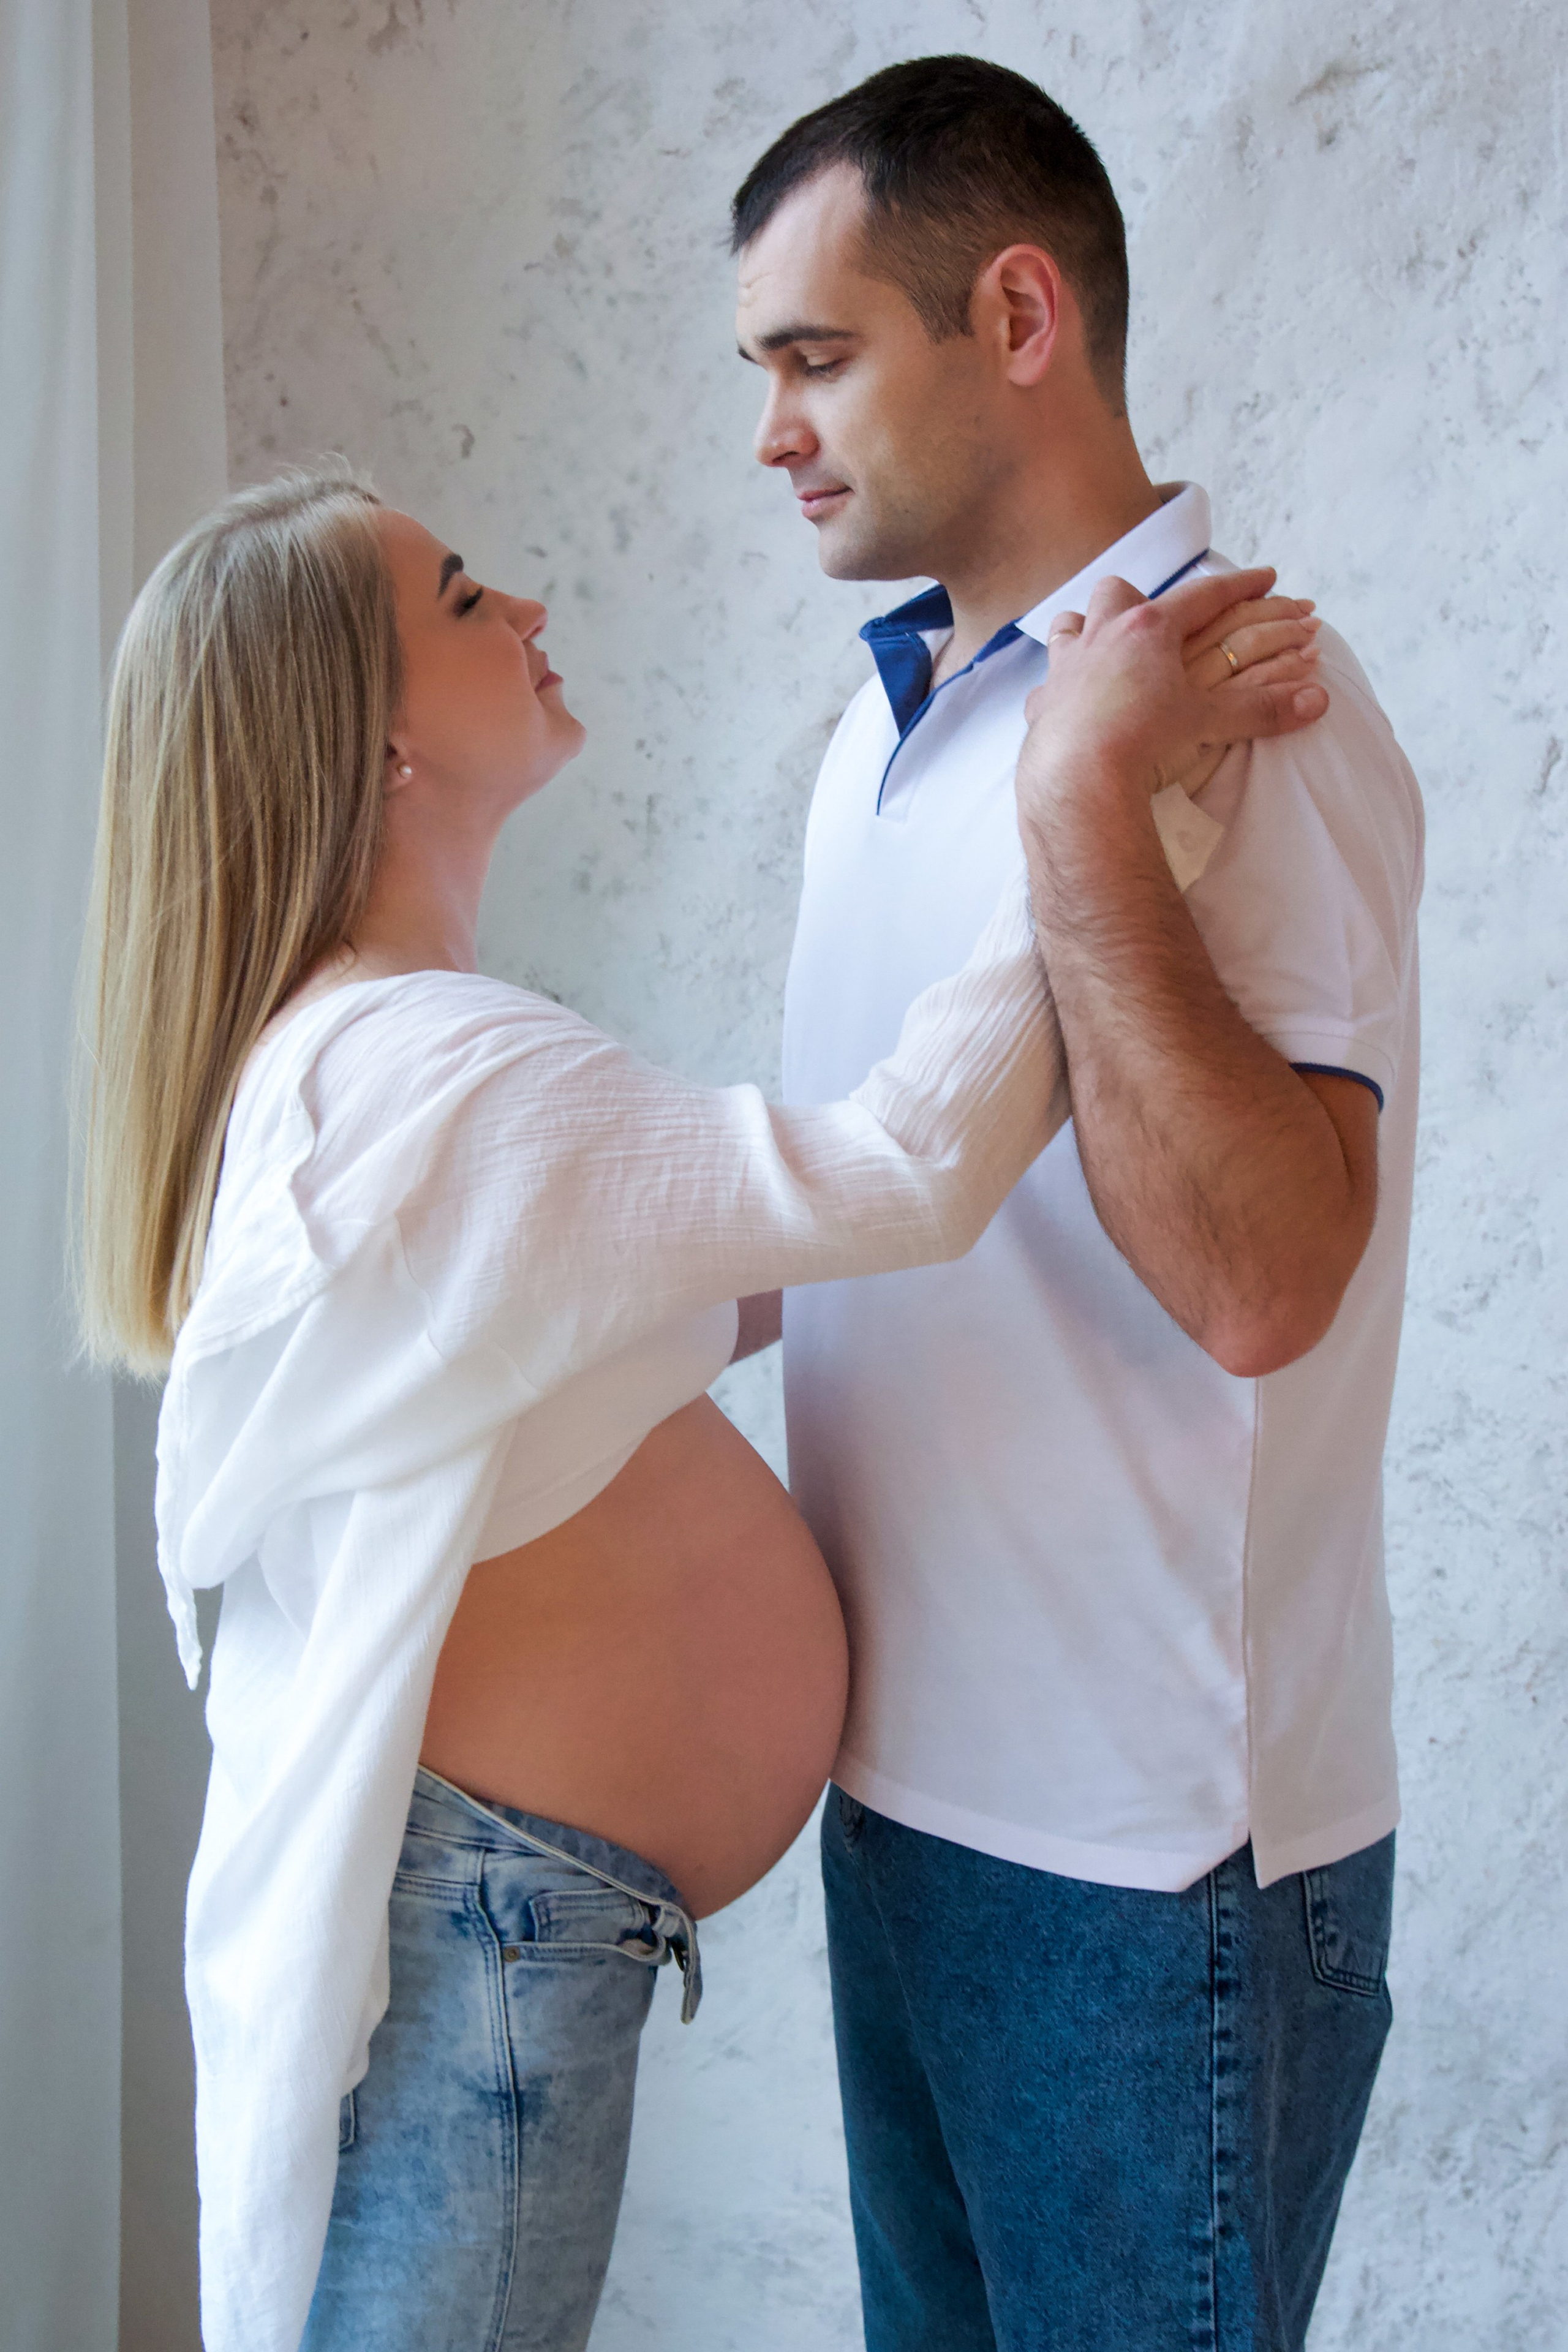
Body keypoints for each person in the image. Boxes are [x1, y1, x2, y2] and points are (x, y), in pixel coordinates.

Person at [74, 468, 1317, 2352]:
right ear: (381, 735)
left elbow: (695, 1293)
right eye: (470, 594)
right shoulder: (432, 1068)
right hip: (496, 1924)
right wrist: (1101, 793)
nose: (538, 606)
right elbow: (900, 1175)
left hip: (503, 1915)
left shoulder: (368, 1061)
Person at [731, 55, 1423, 2352]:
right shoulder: (880, 724)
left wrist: (1084, 810)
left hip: (1151, 1875)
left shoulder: (1259, 711)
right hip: (900, 1803)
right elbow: (849, 1211)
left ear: (1018, 317)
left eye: (817, 357)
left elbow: (1260, 1281)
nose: (775, 433)